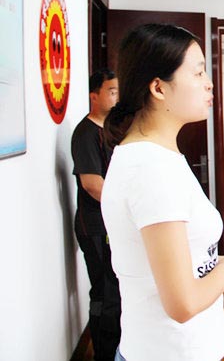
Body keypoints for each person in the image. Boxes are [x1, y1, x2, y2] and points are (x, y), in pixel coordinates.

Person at [101, 24, 224, 361]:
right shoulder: (151, 168)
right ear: (158, 87)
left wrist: (217, 265)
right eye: (198, 72)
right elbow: (182, 304)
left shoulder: (154, 156)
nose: (208, 83)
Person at [71, 69, 121, 361]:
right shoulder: (85, 133)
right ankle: (103, 354)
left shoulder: (112, 131)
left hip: (112, 224)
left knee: (116, 291)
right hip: (95, 226)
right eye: (111, 91)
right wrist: (126, 205)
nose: (117, 97)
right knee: (105, 292)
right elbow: (92, 185)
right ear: (94, 96)